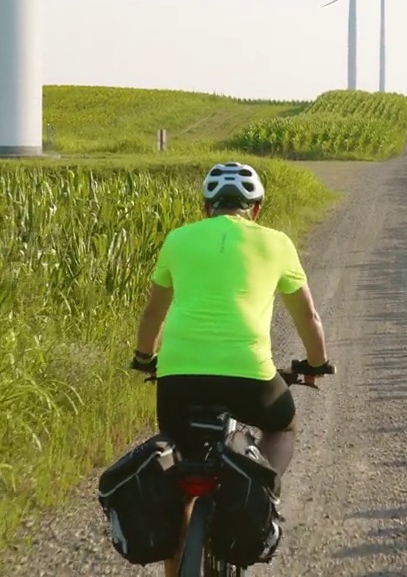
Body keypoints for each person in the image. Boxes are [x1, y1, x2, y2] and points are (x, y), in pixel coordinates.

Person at [128, 161, 334, 576]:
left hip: (178, 379)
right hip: (249, 377)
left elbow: (154, 312)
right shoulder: (276, 243)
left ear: (206, 207)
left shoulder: (178, 239)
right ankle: (261, 493)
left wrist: (144, 357)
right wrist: (316, 363)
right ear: (255, 209)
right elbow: (308, 317)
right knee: (282, 426)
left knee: (179, 467)